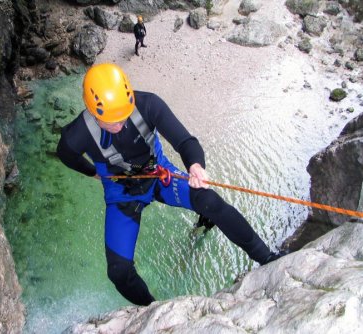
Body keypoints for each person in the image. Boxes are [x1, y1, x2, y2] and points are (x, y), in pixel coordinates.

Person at [57, 63, 287, 306]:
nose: (121, 125)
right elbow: (66, 155)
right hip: (121, 192)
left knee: (208, 200)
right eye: (112, 121)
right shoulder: (77, 134)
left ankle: (268, 258)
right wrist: (92, 172)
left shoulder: (148, 105)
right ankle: (152, 309)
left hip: (159, 175)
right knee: (118, 271)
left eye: (124, 116)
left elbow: (185, 141)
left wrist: (196, 165)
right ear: (92, 110)